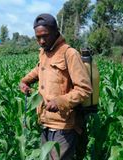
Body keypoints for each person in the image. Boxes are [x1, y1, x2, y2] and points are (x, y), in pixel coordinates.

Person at [19, 13, 92, 160]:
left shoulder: (69, 54)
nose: (41, 41)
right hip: (45, 122)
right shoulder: (44, 53)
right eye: (37, 37)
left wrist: (60, 102)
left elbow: (84, 89)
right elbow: (39, 70)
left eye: (45, 36)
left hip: (64, 126)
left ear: (56, 31)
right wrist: (24, 82)